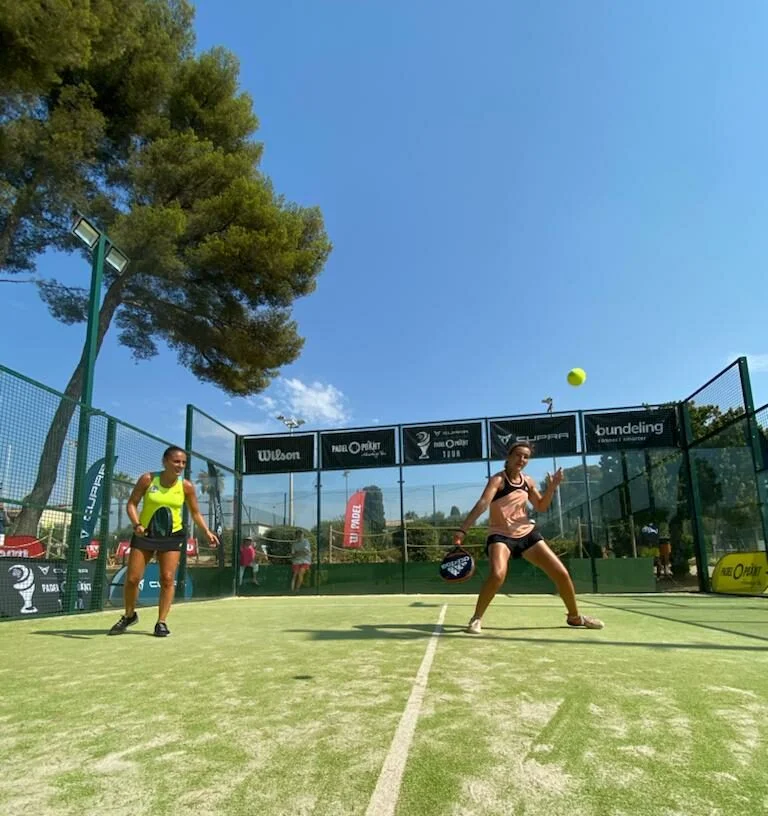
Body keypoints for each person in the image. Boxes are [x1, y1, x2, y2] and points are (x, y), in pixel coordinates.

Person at [455, 442, 604, 634]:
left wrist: (552, 486)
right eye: (518, 455)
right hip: (500, 535)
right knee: (498, 574)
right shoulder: (498, 480)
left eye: (526, 457)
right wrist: (463, 529)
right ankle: (476, 618)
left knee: (561, 573)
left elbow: (541, 506)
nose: (522, 460)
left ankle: (574, 617)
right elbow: (483, 503)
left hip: (527, 534)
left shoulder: (528, 481)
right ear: (508, 457)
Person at [108, 446, 218, 637]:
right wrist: (136, 525)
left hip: (172, 535)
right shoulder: (148, 479)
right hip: (145, 534)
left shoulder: (186, 486)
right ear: (165, 462)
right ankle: (129, 615)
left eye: (183, 462)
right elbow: (131, 504)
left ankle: (161, 622)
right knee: (133, 579)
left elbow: (195, 512)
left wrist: (207, 532)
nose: (180, 465)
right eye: (176, 461)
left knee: (167, 578)